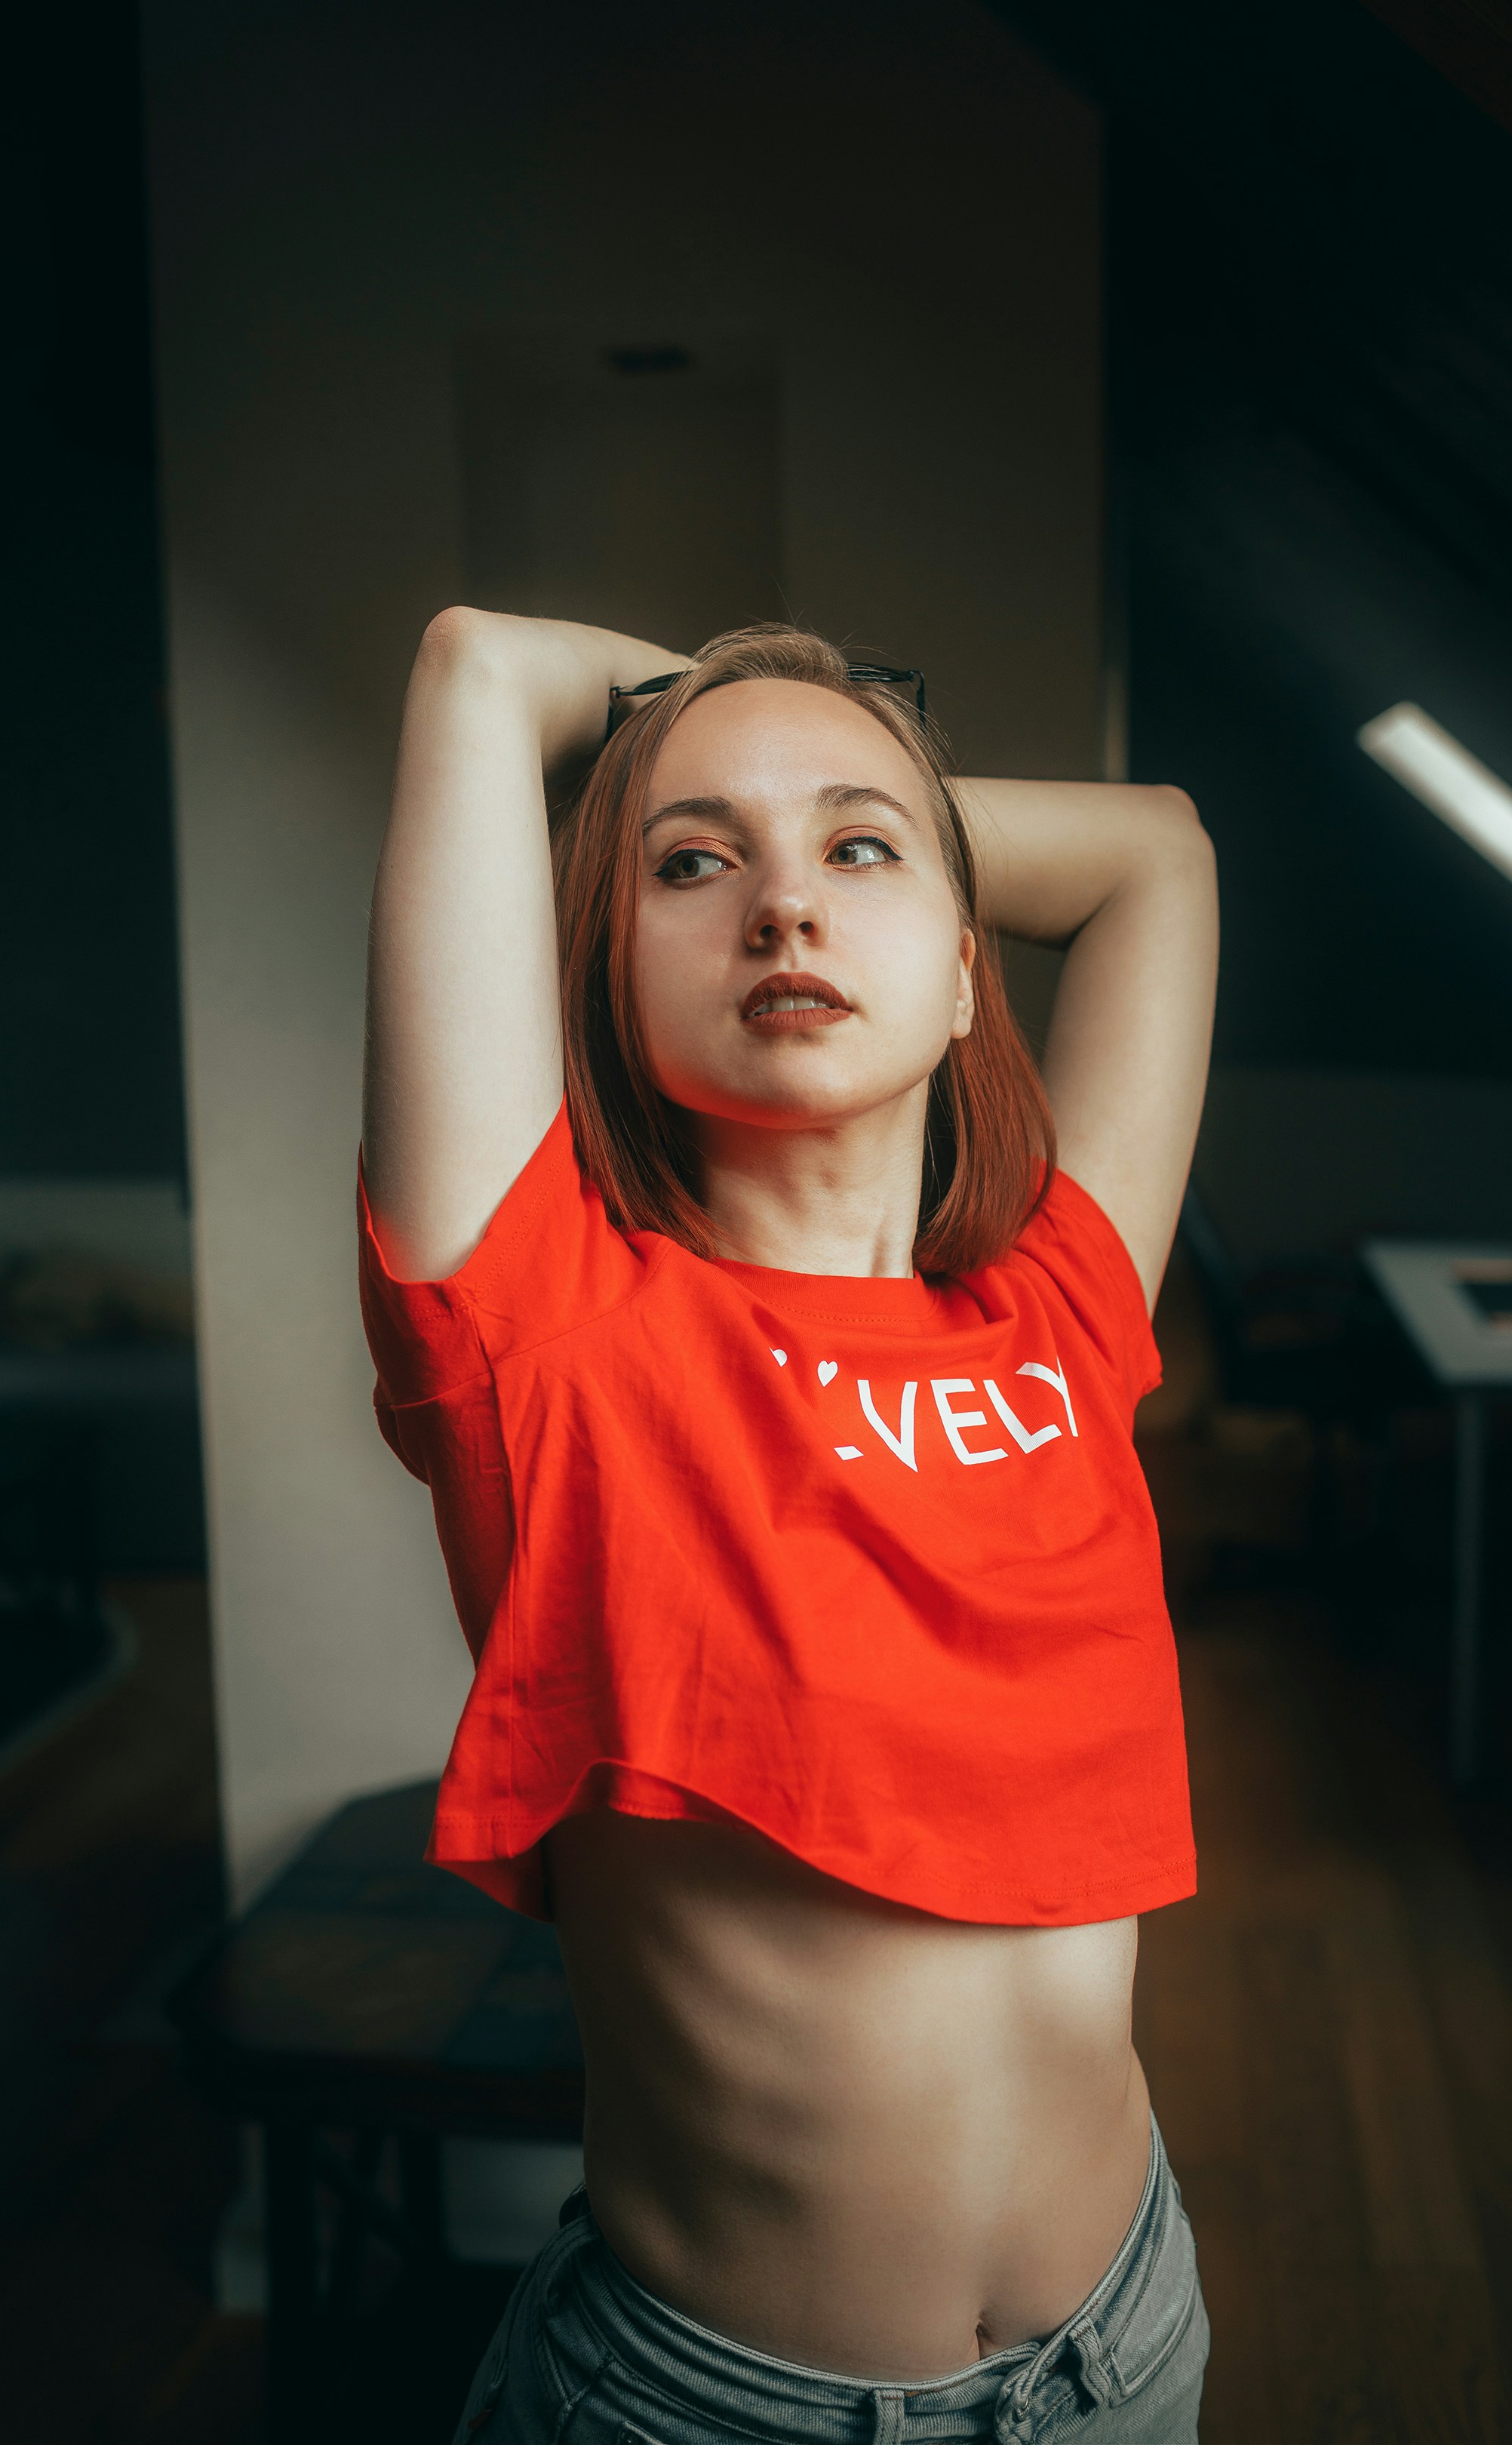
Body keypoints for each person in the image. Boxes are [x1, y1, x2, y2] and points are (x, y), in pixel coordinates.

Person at [359, 614, 1219, 2443]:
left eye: (857, 856)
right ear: (600, 966)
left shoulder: (1059, 1311)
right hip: (713, 2413)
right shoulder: (553, 1342)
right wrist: (768, 749)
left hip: (1128, 2350)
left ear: (973, 973)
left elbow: (1159, 851)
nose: (784, 909)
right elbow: (476, 669)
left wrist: (802, 762)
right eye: (692, 866)